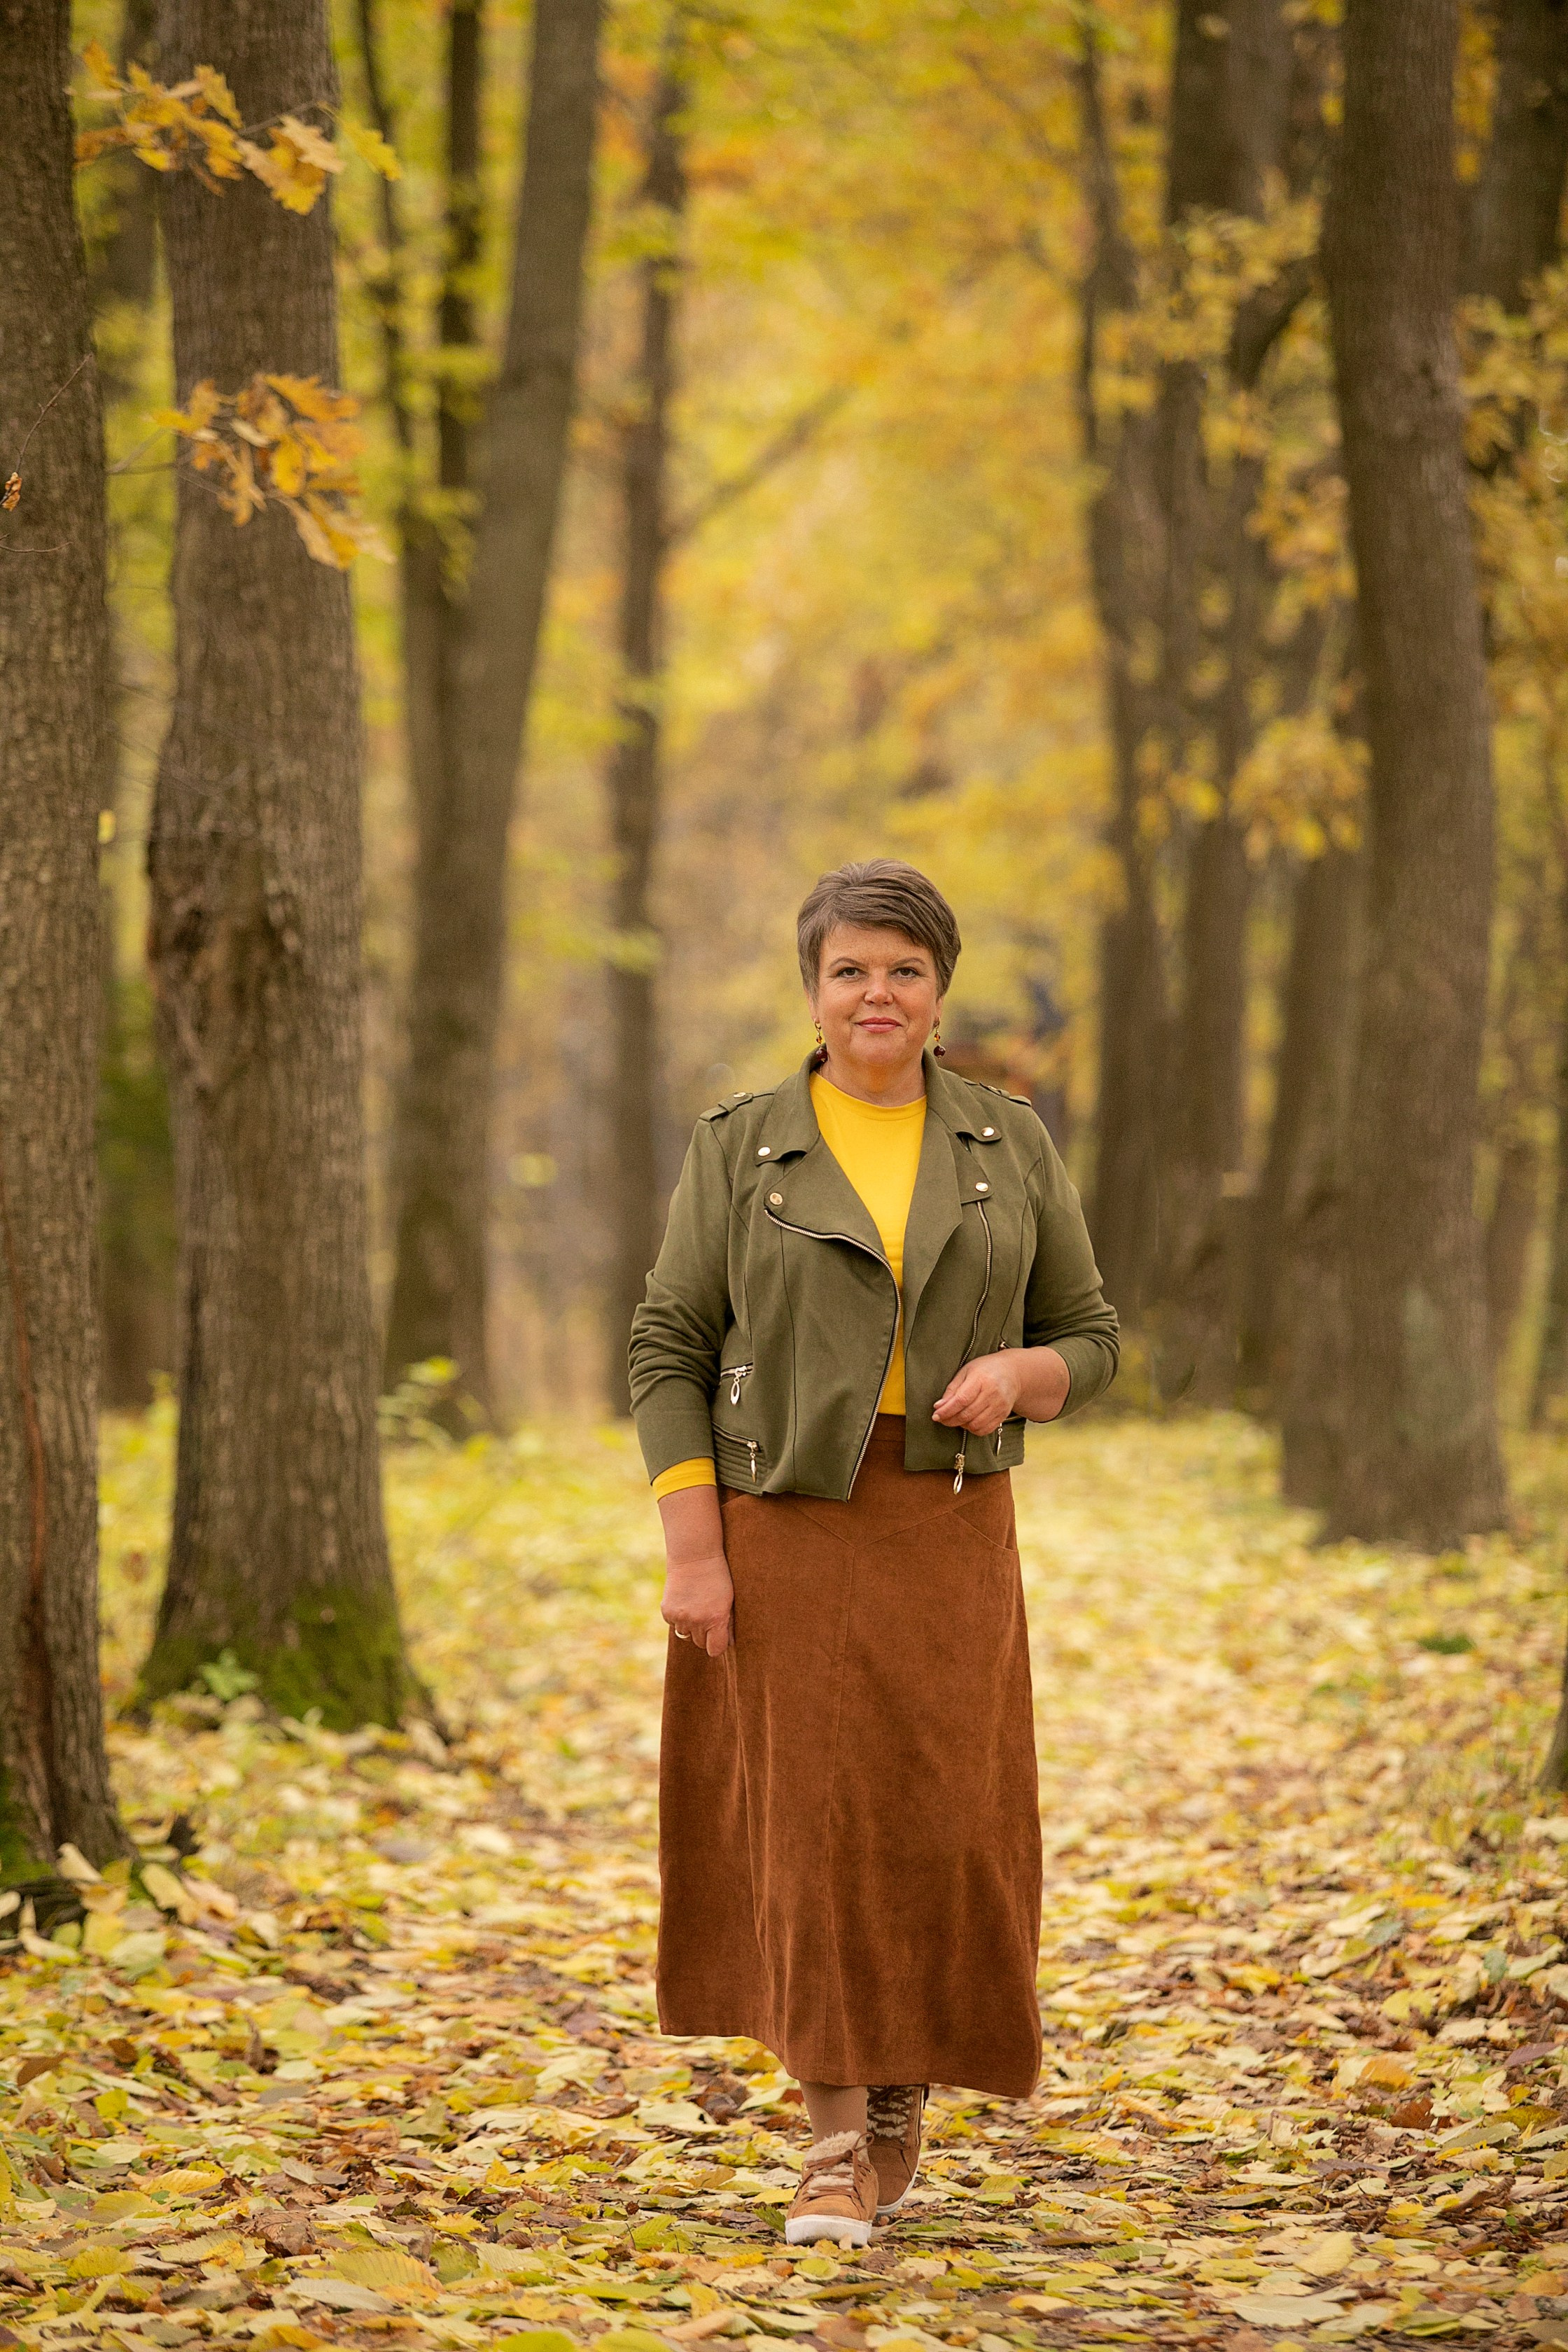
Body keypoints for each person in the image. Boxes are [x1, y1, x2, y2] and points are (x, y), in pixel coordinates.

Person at [629, 860, 1119, 2246]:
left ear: (938, 991)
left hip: (949, 1524)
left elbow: (1093, 1334)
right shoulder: (741, 1142)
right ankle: (832, 2138)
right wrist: (694, 1548)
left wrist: (1024, 1371)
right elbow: (667, 1341)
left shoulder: (1006, 1141)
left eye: (901, 970)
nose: (875, 994)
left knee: (936, 1819)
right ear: (813, 991)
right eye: (849, 970)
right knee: (808, 1825)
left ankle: (905, 2081)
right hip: (781, 1522)